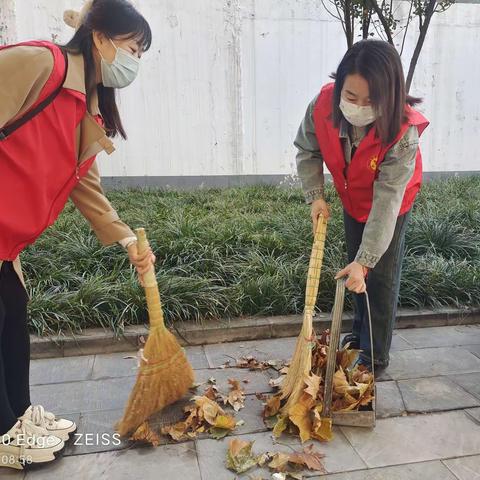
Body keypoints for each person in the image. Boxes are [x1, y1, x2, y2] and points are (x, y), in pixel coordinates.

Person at [0, 0, 155, 469]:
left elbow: (83, 182)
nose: (135, 62)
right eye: (133, 48)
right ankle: (4, 433)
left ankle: (20, 416)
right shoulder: (40, 63)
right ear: (100, 37)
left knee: (13, 312)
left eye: (142, 55)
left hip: (8, 239)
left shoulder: (87, 104)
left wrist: (127, 240)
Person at [295, 39, 429, 374]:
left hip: (390, 205)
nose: (357, 106)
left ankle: (375, 357)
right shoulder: (323, 105)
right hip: (352, 195)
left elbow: (386, 204)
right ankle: (357, 337)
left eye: (370, 101)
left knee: (377, 276)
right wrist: (316, 196)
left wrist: (366, 261)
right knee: (353, 268)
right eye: (351, 97)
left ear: (390, 96)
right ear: (339, 86)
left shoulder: (403, 133)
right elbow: (307, 149)